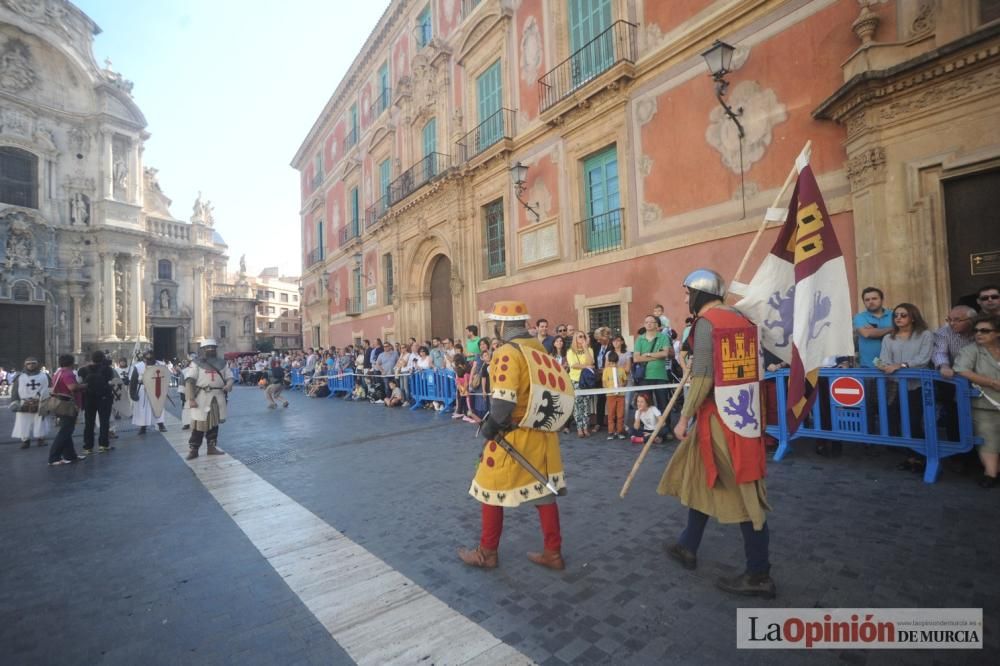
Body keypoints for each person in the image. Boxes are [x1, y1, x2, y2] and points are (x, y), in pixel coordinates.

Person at [658, 269, 775, 599]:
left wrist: (683, 418)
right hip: (744, 415)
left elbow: (704, 378)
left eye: (687, 293)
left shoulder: (708, 324)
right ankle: (687, 546)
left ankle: (759, 573)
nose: (684, 299)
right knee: (700, 477)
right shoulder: (741, 319)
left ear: (699, 294)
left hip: (720, 421)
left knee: (746, 496)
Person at [458, 300, 571, 571]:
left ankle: (487, 552)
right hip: (542, 435)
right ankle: (553, 553)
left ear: (502, 326)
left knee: (488, 486)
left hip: (513, 434)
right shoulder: (537, 348)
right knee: (544, 491)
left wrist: (488, 429)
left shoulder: (508, 352)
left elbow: (504, 403)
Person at [877, 303, 933, 472]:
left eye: (903, 315)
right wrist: (884, 366)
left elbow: (923, 359)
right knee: (900, 420)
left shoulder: (925, 335)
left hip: (917, 385)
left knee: (915, 421)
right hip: (895, 386)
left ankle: (922, 457)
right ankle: (910, 456)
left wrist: (900, 365)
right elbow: (884, 359)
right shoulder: (889, 337)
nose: (899, 318)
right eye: (896, 315)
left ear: (913, 317)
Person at [954, 313, 1000, 488]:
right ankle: (990, 474)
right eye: (977, 330)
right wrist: (992, 383)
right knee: (988, 438)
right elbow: (961, 370)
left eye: (985, 331)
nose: (979, 334)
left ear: (997, 333)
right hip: (984, 403)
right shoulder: (970, 350)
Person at [932, 305, 977, 442]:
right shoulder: (944, 332)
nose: (952, 323)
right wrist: (944, 366)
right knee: (953, 413)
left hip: (979, 378)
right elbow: (940, 352)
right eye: (949, 319)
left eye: (957, 320)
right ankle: (957, 450)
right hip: (953, 378)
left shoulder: (981, 331)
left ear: (972, 320)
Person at [184, 339, 234, 460]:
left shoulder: (222, 363)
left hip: (218, 396)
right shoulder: (196, 363)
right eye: (208, 348)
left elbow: (230, 377)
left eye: (212, 347)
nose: (210, 349)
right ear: (203, 350)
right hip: (201, 397)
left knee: (214, 423)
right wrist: (191, 398)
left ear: (216, 349)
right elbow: (190, 381)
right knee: (199, 424)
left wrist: (229, 385)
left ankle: (211, 447)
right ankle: (194, 449)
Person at [47, 354, 87, 465]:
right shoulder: (68, 373)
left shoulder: (58, 373)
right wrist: (84, 386)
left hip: (60, 404)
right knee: (65, 431)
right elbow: (72, 387)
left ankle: (70, 455)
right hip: (68, 405)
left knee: (67, 431)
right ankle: (54, 457)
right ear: (71, 363)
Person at [78, 350, 116, 454]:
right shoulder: (107, 369)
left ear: (92, 359)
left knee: (89, 423)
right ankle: (103, 445)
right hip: (104, 398)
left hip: (89, 398)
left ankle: (87, 447)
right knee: (104, 422)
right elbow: (111, 381)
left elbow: (80, 383)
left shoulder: (82, 370)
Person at [633, 314, 672, 412]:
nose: (649, 324)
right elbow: (636, 358)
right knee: (645, 405)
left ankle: (665, 426)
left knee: (663, 403)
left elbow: (665, 353)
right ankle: (647, 427)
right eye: (646, 322)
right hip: (645, 376)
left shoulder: (663, 337)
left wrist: (648, 355)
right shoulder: (640, 339)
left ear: (656, 325)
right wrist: (656, 356)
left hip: (660, 376)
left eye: (651, 322)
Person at [10, 357, 50, 449]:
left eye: (33, 363)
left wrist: (47, 402)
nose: (31, 365)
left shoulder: (44, 376)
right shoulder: (19, 377)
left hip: (40, 402)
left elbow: (49, 389)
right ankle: (25, 441)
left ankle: (41, 439)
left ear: (37, 364)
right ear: (25, 365)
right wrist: (15, 403)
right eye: (28, 363)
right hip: (24, 403)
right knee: (23, 422)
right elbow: (15, 391)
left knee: (41, 422)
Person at [853, 287, 893, 368]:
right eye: (867, 300)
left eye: (874, 298)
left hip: (893, 366)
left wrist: (875, 331)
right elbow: (866, 334)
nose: (871, 302)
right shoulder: (860, 317)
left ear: (882, 299)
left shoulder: (894, 315)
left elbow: (903, 333)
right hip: (870, 365)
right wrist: (892, 328)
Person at [130, 350, 167, 434]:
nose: (149, 358)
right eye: (147, 356)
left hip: (156, 389)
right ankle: (143, 427)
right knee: (143, 409)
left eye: (150, 356)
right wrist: (132, 393)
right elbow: (133, 381)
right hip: (143, 390)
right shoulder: (138, 366)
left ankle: (161, 424)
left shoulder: (160, 365)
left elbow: (165, 377)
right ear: (144, 357)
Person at [567, 331, 595, 438]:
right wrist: (586, 366)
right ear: (575, 338)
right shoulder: (571, 351)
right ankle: (579, 428)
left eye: (583, 336)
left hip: (586, 380)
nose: (582, 338)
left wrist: (585, 348)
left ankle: (585, 427)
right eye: (580, 337)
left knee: (586, 405)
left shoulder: (590, 350)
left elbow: (590, 362)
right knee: (578, 405)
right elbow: (573, 365)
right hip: (575, 380)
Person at [602, 350, 628, 440]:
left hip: (621, 395)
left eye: (614, 363)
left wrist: (623, 385)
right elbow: (604, 382)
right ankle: (611, 432)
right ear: (609, 362)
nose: (613, 365)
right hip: (610, 395)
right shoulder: (606, 370)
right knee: (611, 414)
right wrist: (608, 388)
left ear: (617, 362)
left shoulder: (621, 370)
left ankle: (620, 431)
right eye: (611, 363)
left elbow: (625, 380)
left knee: (620, 414)